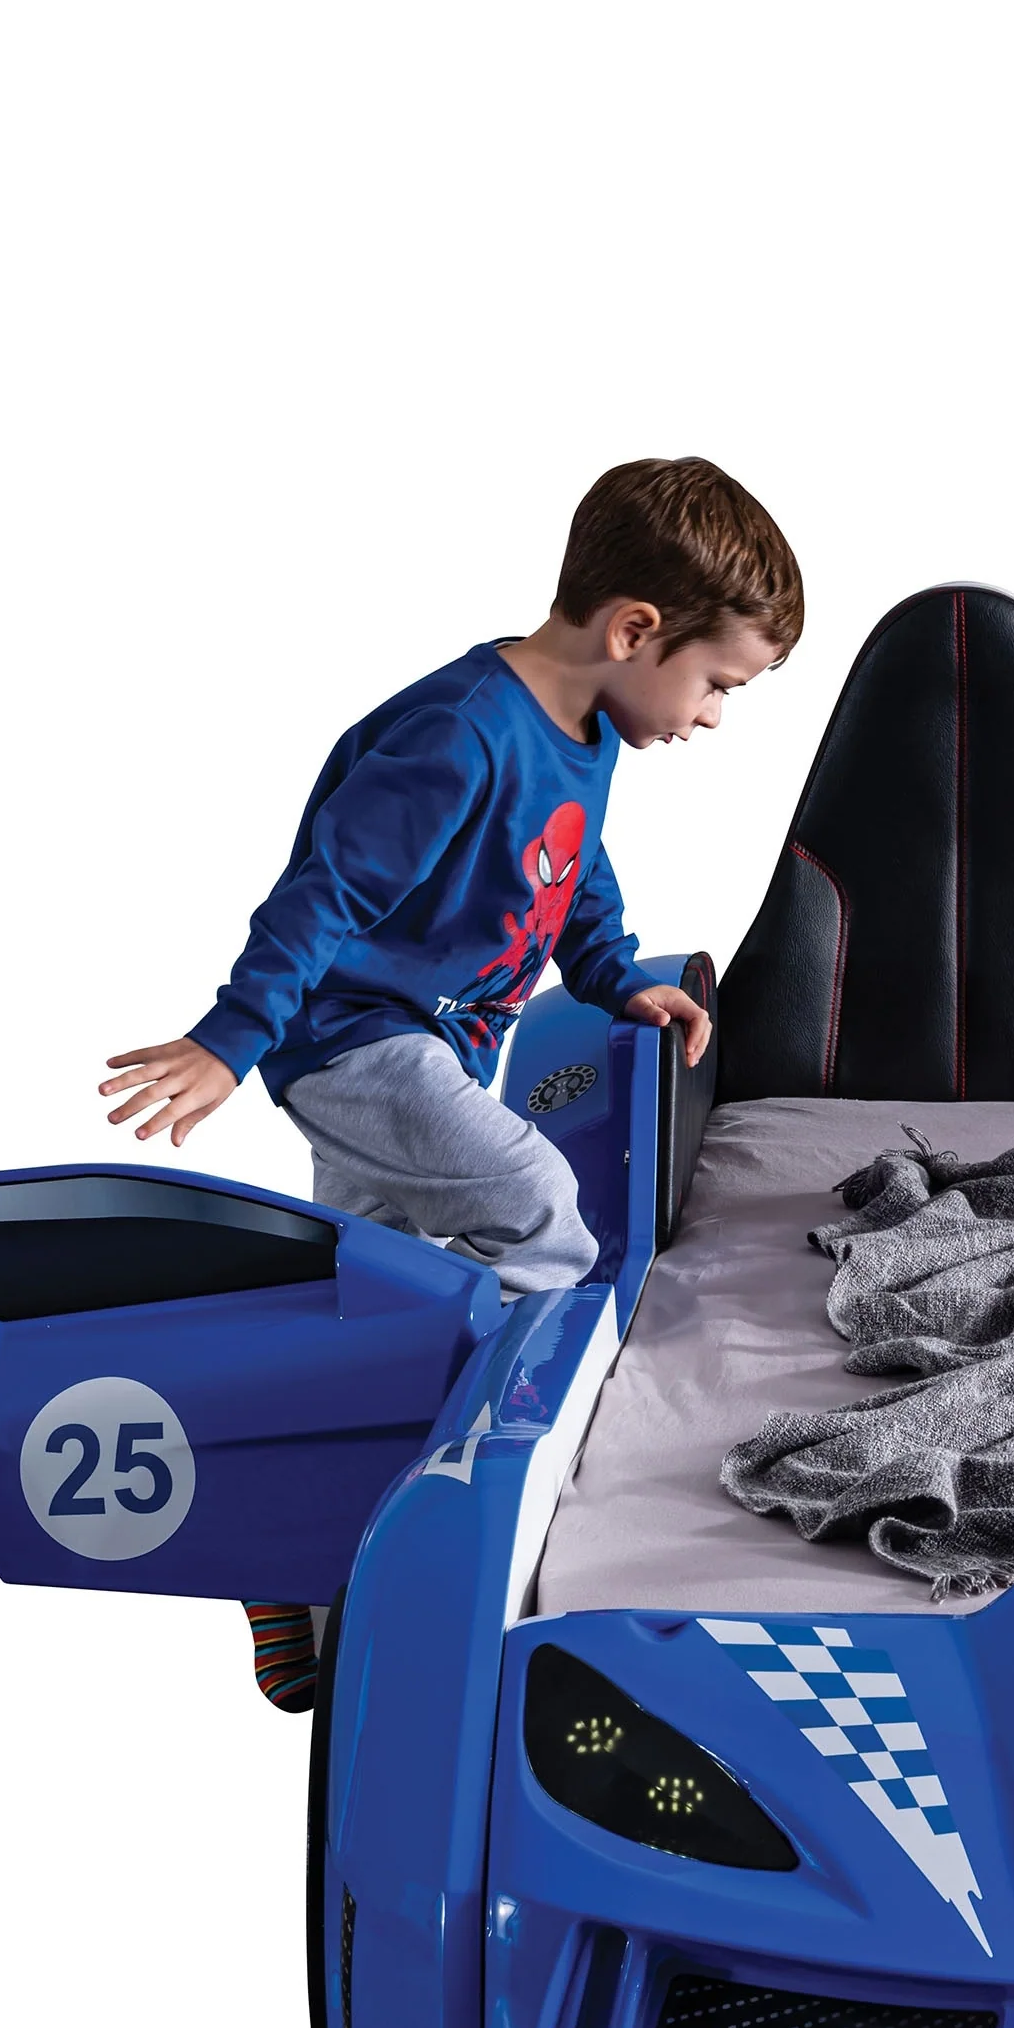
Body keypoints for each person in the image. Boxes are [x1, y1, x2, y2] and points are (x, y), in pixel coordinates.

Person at [97, 457, 802, 1706]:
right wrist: (230, 1038)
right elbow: (326, 894)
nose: (710, 718)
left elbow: (574, 870)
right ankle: (485, 1472)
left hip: (435, 1050)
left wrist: (613, 977)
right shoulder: (459, 735)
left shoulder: (585, 735)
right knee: (540, 1212)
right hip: (357, 1040)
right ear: (634, 630)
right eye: (715, 683)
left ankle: (292, 1554)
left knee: (364, 1316)